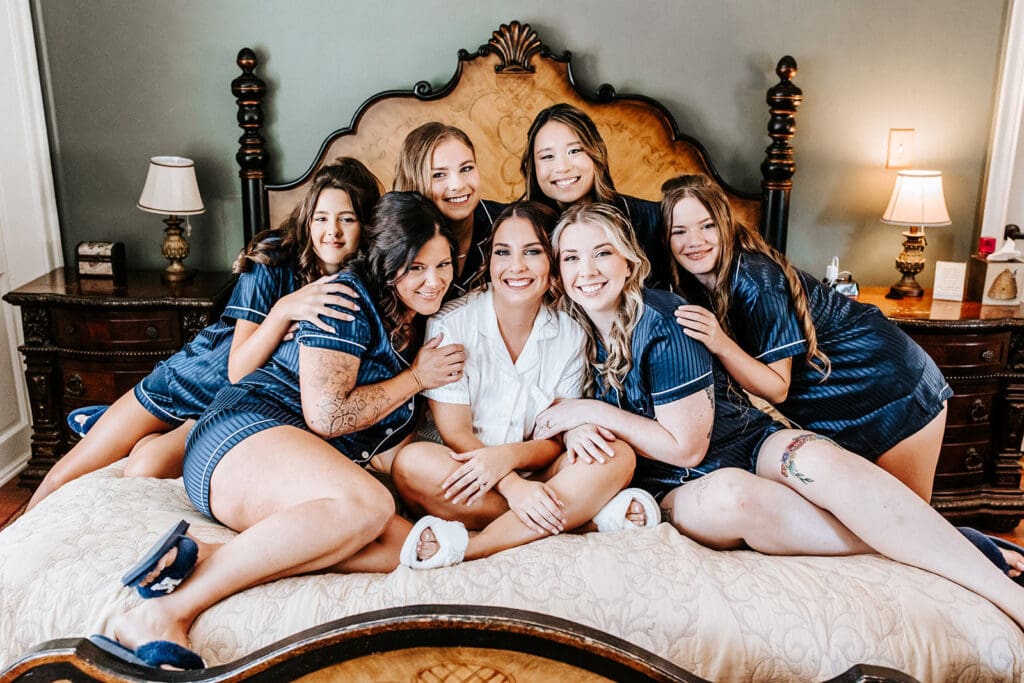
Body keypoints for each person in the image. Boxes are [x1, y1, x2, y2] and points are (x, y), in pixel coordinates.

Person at [533, 202, 1024, 631]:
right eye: (572, 257)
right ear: (557, 272)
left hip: (745, 441)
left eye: (601, 253)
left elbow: (687, 444)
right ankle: (946, 540)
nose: (588, 270)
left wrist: (590, 410)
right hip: (679, 487)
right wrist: (576, 420)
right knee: (736, 496)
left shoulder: (664, 320)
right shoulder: (564, 333)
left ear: (629, 261)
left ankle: (1008, 597)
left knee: (819, 461)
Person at [102, 192, 467, 668]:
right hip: (242, 434)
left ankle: (209, 554)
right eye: (416, 268)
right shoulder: (348, 298)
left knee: (406, 545)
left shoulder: (409, 317)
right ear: (384, 260)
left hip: (284, 466)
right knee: (369, 504)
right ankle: (160, 615)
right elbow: (329, 416)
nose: (434, 281)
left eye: (443, 266)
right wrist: (416, 379)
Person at [660, 173, 1024, 576]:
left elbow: (777, 388)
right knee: (878, 528)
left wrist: (720, 343)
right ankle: (980, 549)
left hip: (890, 388)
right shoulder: (699, 287)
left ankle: (986, 554)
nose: (694, 240)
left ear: (726, 224)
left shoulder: (755, 279)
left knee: (905, 531)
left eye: (707, 225)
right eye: (680, 230)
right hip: (839, 405)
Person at [26, 160, 382, 512]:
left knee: (144, 468)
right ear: (307, 219)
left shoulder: (364, 286)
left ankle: (137, 434)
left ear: (366, 225)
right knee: (69, 471)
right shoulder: (275, 258)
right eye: (321, 217)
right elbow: (237, 368)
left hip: (231, 407)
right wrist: (282, 311)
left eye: (346, 218)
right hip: (195, 378)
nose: (331, 231)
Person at [391, 202, 652, 568]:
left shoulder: (570, 333)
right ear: (490, 260)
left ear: (554, 264)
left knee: (617, 455)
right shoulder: (452, 324)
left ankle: (472, 547)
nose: (516, 267)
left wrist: (508, 461)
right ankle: (585, 520)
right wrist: (514, 488)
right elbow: (455, 433)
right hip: (467, 471)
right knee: (411, 463)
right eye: (503, 252)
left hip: (541, 473)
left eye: (532, 252)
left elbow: (554, 438)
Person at [520, 102, 667, 287]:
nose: (563, 167)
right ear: (533, 167)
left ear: (595, 153)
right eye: (547, 156)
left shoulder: (651, 219)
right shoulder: (520, 227)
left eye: (574, 151)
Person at [394, 122, 505, 298]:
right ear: (414, 181)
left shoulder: (508, 223)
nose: (458, 185)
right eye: (438, 175)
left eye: (466, 168)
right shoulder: (391, 238)